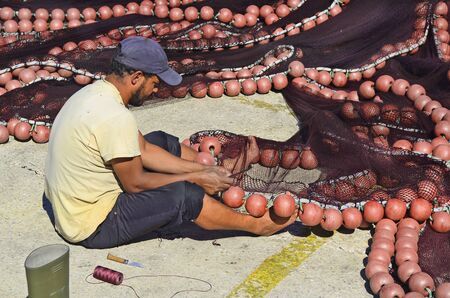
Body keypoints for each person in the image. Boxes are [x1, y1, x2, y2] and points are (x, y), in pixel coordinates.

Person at [44, 36, 297, 249]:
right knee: (184, 195)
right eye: (154, 83)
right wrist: (194, 179)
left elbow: (143, 149)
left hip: (71, 205)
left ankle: (212, 189)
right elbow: (136, 184)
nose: (156, 90)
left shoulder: (95, 94)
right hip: (92, 224)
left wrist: (201, 169)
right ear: (136, 77)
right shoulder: (114, 117)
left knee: (161, 141)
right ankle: (255, 226)